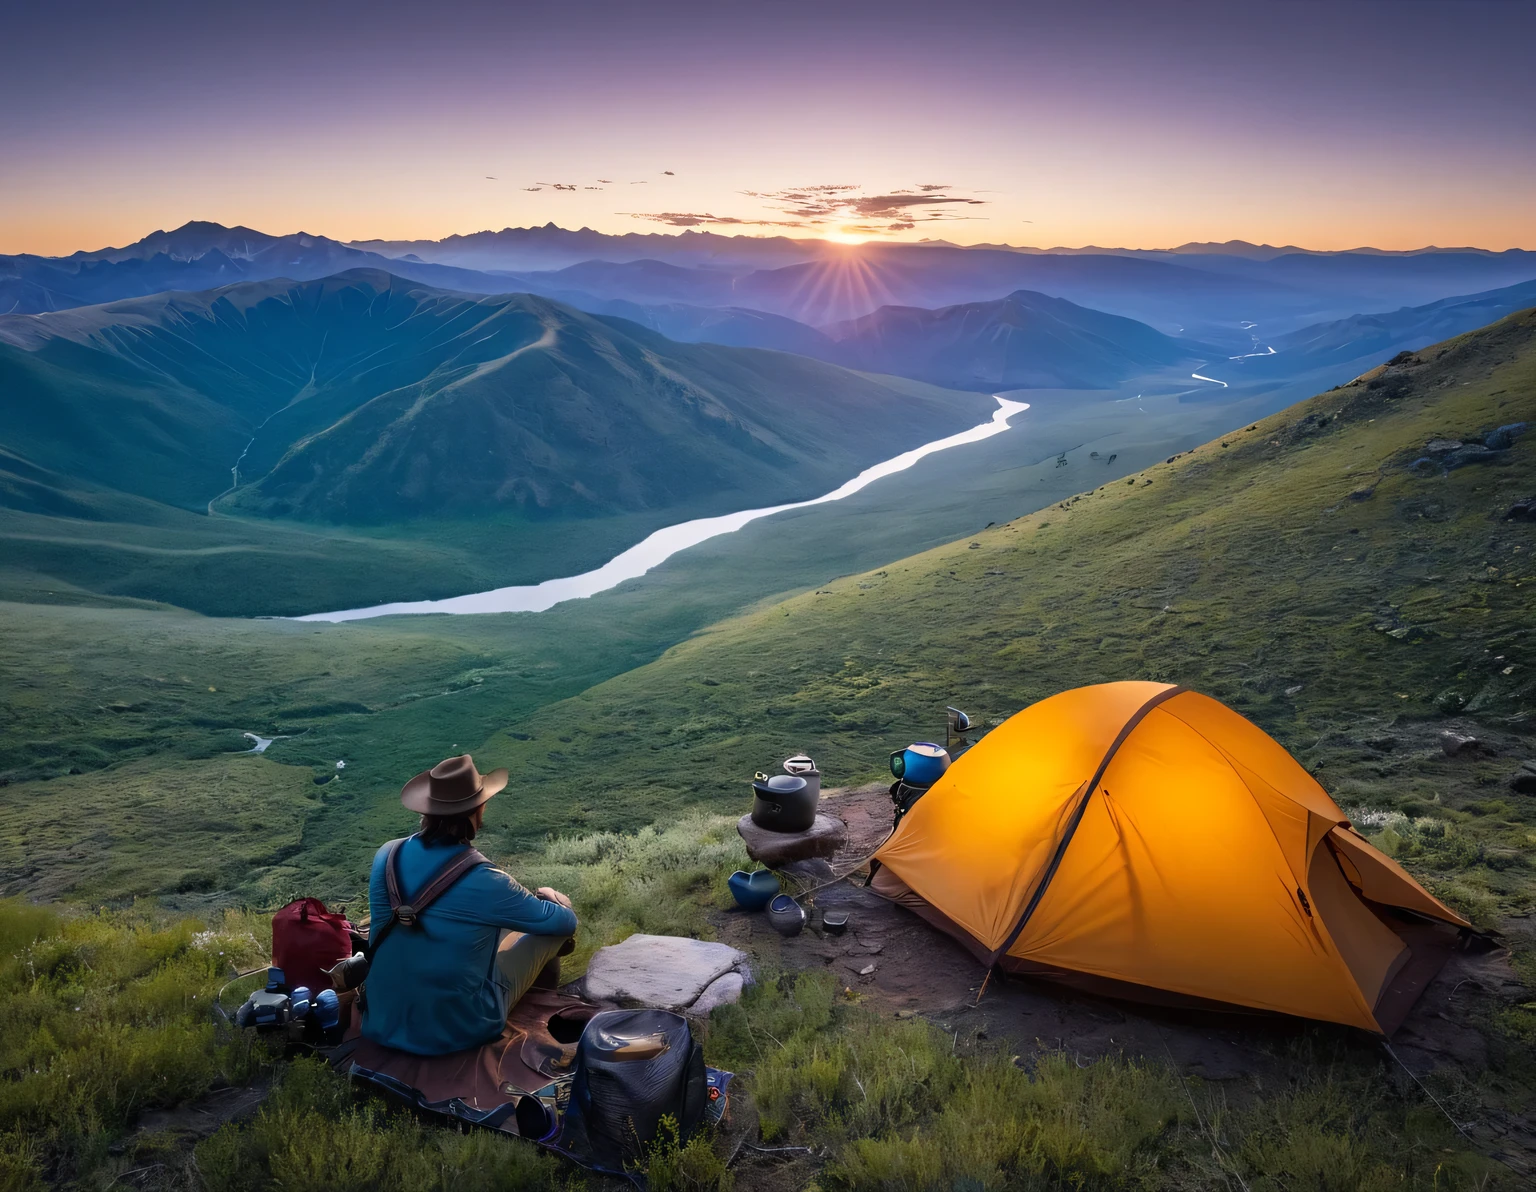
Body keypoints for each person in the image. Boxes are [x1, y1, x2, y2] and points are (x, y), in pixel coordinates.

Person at [361, 754, 578, 1055]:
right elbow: (564, 923)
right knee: (550, 932)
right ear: (476, 811)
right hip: (457, 1028)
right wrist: (554, 897)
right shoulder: (486, 879)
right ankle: (542, 1010)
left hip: (381, 1019)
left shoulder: (387, 855)